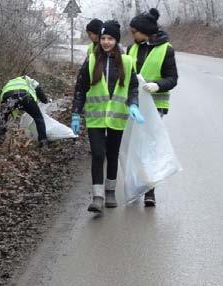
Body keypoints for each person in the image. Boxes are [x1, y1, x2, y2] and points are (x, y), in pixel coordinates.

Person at [71, 20, 145, 214]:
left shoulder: (127, 62)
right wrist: (76, 114)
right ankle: (97, 196)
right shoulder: (92, 60)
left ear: (116, 40)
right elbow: (80, 88)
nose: (105, 42)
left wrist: (134, 105)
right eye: (103, 38)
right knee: (98, 154)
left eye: (110, 38)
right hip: (95, 117)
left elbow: (133, 87)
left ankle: (110, 191)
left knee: (112, 155)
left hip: (117, 117)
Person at [128, 8, 178, 207]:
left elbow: (172, 78)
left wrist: (157, 85)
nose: (132, 35)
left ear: (145, 31)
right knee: (135, 148)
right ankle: (135, 184)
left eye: (134, 32)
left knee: (149, 148)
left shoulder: (166, 49)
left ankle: (150, 190)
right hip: (133, 105)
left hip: (155, 106)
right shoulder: (131, 49)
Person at [0, 75, 49, 147]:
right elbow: (38, 89)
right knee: (38, 118)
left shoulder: (9, 82)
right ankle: (43, 141)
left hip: (8, 97)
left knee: (3, 118)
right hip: (25, 97)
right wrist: (45, 100)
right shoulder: (28, 79)